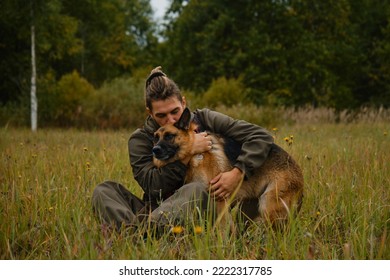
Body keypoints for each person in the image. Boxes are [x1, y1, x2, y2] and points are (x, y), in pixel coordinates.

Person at [92, 66, 274, 233]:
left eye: (175, 112)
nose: (170, 120)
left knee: (195, 190)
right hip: (156, 210)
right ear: (150, 113)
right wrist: (188, 153)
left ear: (184, 103)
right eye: (161, 115)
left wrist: (238, 173)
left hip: (198, 211)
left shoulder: (206, 119)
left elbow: (261, 137)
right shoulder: (140, 139)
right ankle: (144, 232)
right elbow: (153, 187)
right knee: (104, 190)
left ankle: (138, 235)